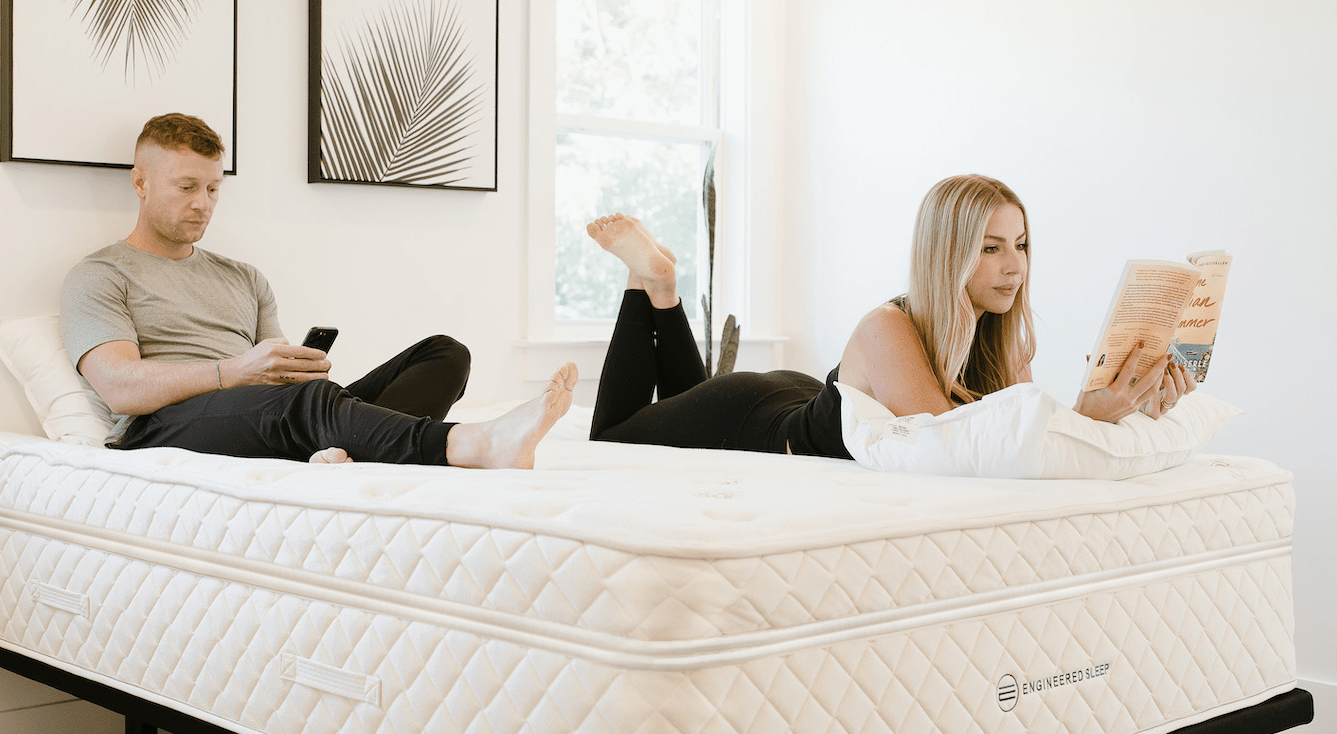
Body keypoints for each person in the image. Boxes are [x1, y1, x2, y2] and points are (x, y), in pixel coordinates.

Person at [62, 112, 576, 469]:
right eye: (187, 187)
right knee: (308, 403)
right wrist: (234, 372)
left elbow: (279, 379)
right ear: (141, 182)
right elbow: (119, 386)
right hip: (160, 427)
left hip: (262, 410)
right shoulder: (101, 274)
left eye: (214, 188)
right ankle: (478, 443)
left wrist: (290, 370)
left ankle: (350, 448)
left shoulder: (243, 277)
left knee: (445, 353)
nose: (203, 203)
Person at [586, 175, 1194, 457]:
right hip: (755, 419)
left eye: (1021, 244)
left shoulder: (1003, 341)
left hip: (799, 396)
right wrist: (1083, 417)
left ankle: (661, 285)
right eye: (990, 248)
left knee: (676, 409)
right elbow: (954, 443)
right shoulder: (888, 326)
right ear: (948, 254)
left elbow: (1017, 443)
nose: (1015, 267)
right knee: (614, 438)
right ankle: (655, 285)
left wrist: (1123, 405)